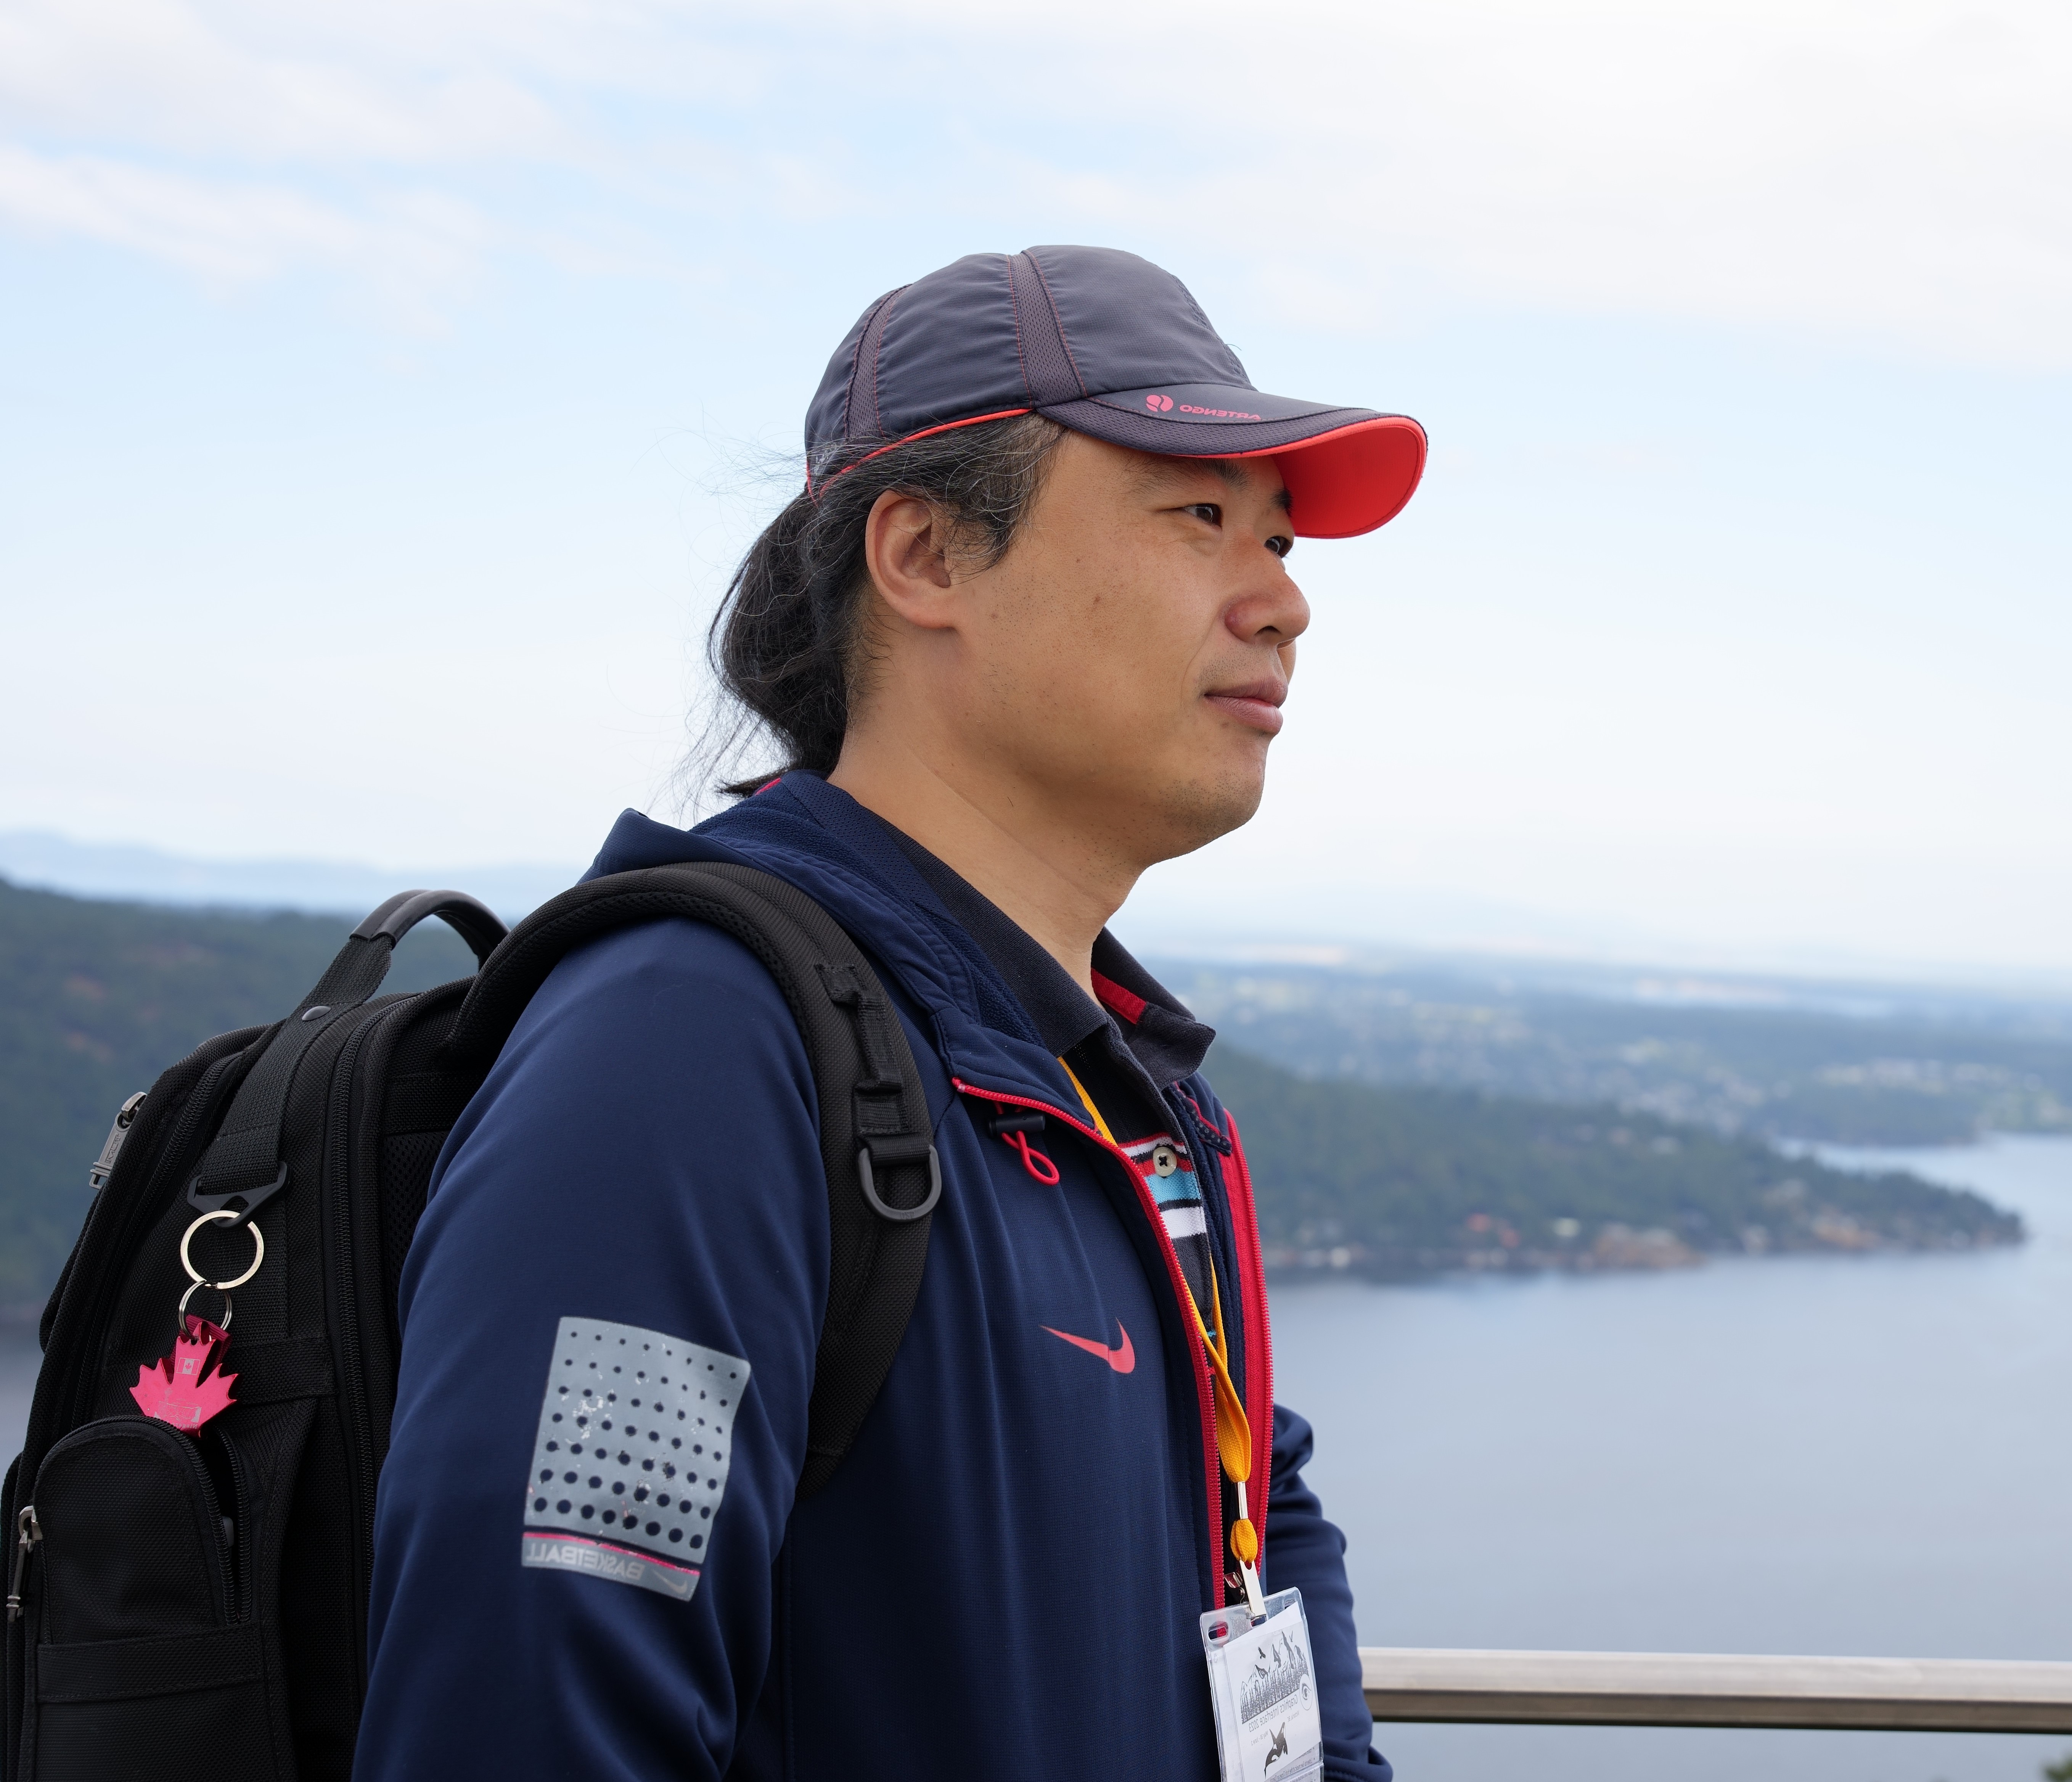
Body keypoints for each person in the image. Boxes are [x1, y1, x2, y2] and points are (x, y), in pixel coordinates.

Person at [355, 246, 1426, 1780]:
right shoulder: (688, 1049)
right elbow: (536, 1703)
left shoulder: (1128, 1085)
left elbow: (1259, 1500)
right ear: (924, 557)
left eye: (1277, 534)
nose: (1285, 602)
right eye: (1200, 517)